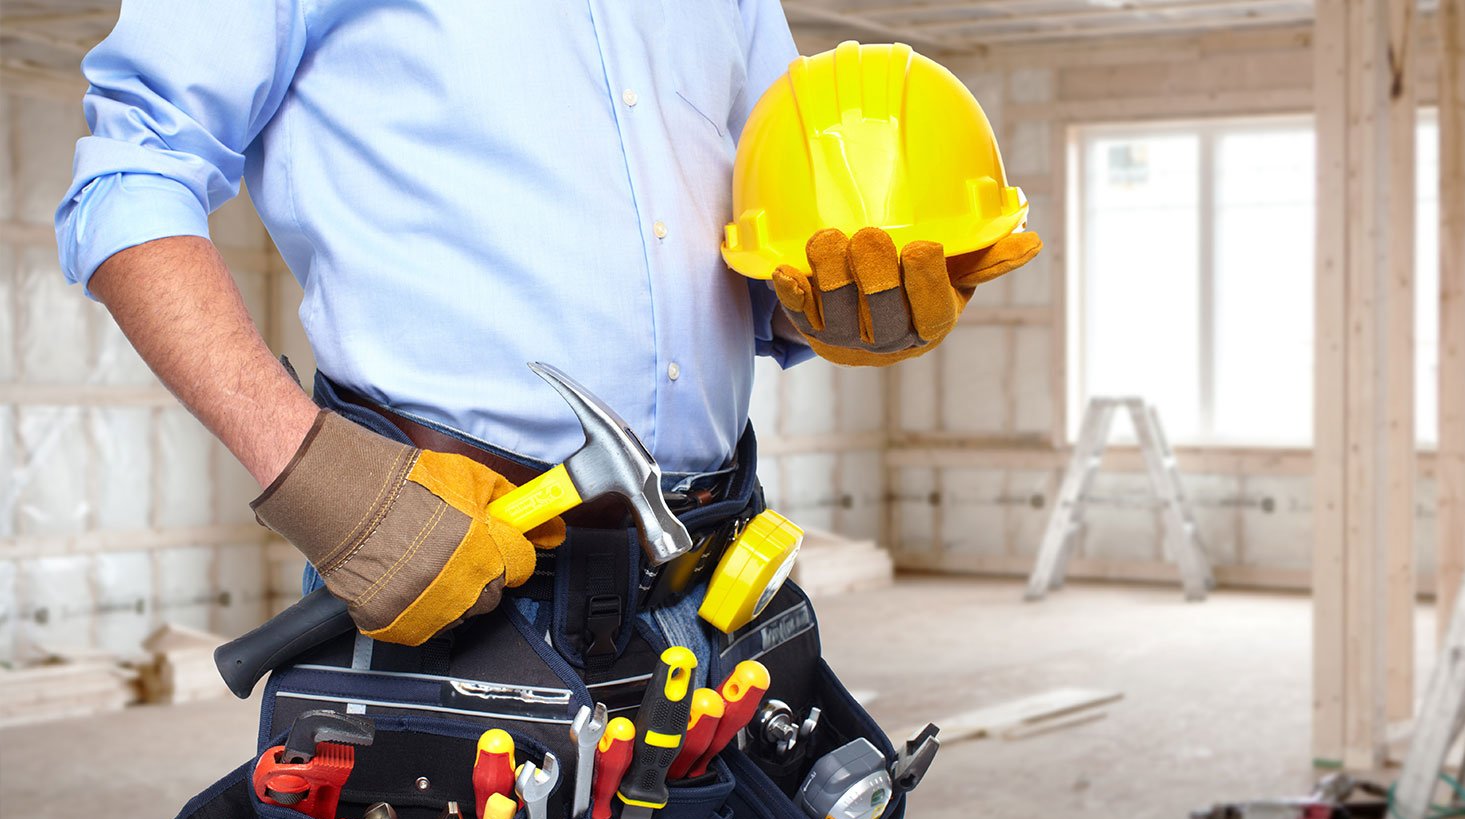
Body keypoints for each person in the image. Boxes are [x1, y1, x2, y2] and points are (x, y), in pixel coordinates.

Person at [57, 1, 1038, 670]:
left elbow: (762, 233)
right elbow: (129, 182)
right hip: (455, 567)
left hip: (718, 571)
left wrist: (836, 308)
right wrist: (312, 473)